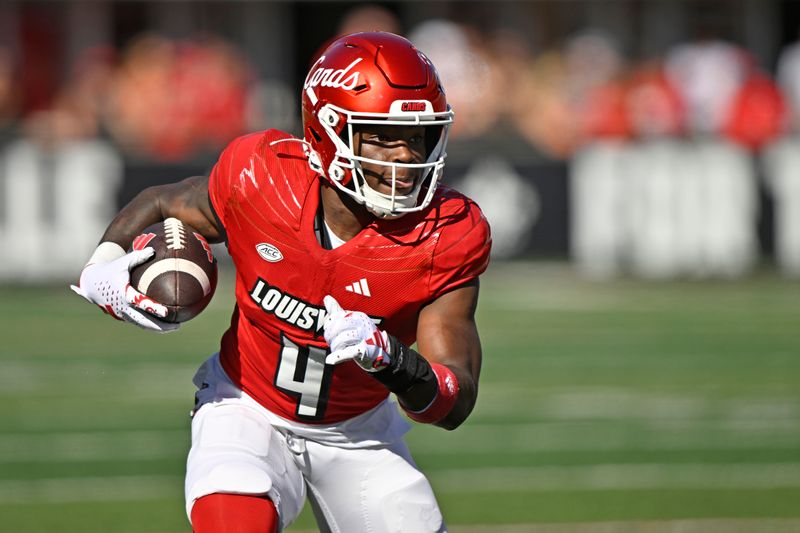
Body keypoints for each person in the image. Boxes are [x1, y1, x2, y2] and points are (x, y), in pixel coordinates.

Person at [71, 31, 491, 533]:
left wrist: (391, 360)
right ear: (328, 133)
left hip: (358, 434)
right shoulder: (262, 177)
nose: (404, 156)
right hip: (245, 406)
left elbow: (455, 399)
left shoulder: (446, 233)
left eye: (417, 136)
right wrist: (101, 267)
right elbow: (165, 201)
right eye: (382, 135)